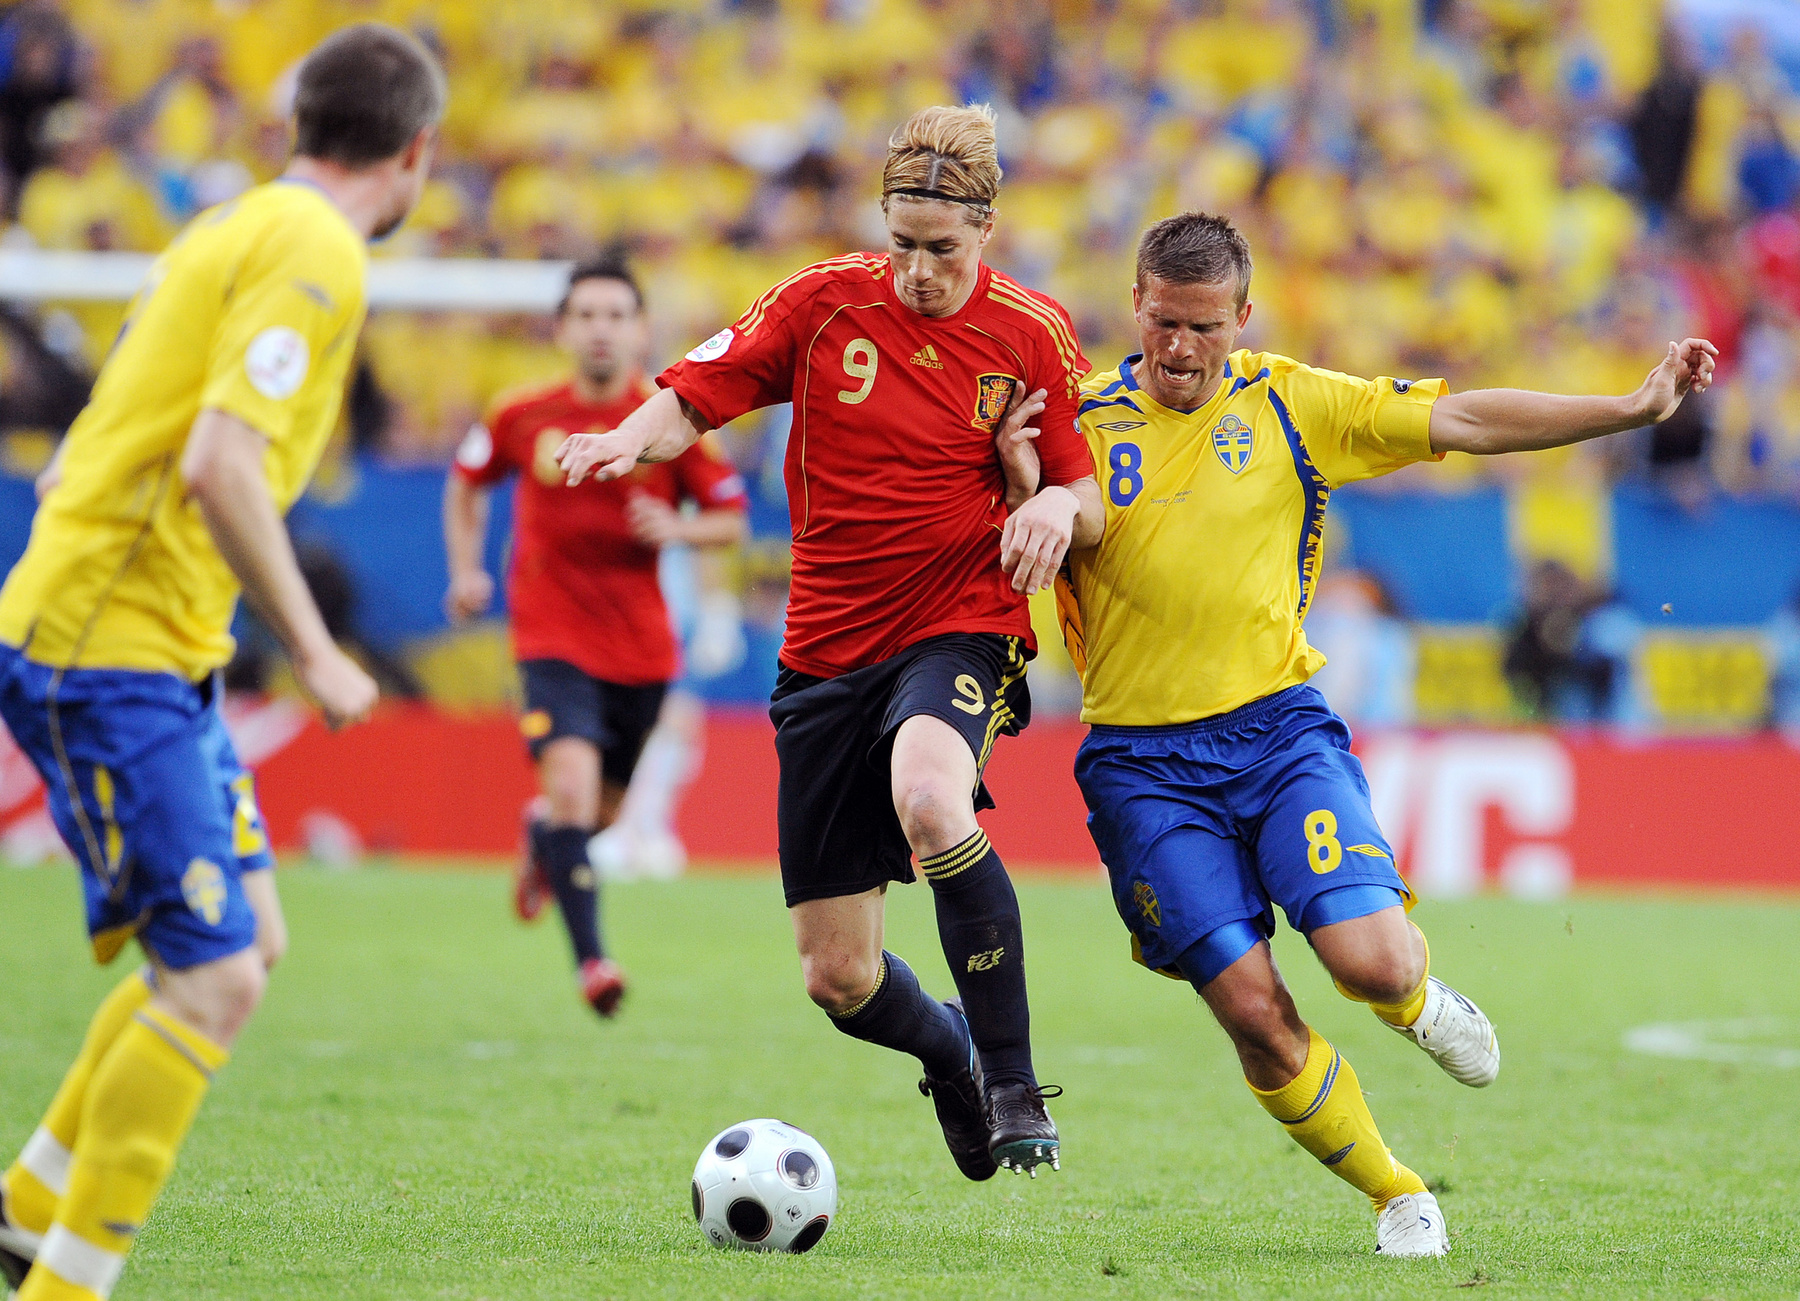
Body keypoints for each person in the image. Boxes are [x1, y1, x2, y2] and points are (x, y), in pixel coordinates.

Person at [1038, 211, 1714, 1256]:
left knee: (1373, 964)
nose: (1180, 346)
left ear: (1244, 317)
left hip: (1275, 734)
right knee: (1254, 1011)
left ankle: (1420, 998)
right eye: (1164, 321)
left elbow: (1465, 419)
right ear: (1135, 304)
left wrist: (1628, 407)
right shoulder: (1076, 424)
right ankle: (1398, 1190)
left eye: (1204, 326)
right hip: (1140, 765)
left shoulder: (1292, 402)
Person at [556, 104, 1104, 1179]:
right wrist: (623, 439)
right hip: (824, 651)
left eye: (941, 249)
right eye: (901, 244)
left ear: (985, 230)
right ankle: (950, 1050)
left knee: (932, 799)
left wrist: (1049, 503)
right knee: (839, 977)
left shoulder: (1032, 332)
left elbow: (1087, 495)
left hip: (958, 622)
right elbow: (692, 396)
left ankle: (1012, 1079)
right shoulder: (820, 303)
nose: (918, 271)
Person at [0, 25, 443, 1298]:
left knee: (250, 936)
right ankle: (67, 1283)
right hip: (113, 645)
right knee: (214, 981)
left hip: (156, 639)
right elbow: (219, 460)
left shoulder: (234, 224)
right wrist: (317, 648)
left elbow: (121, 417)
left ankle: (26, 1212)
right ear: (416, 152)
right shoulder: (316, 249)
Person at [443, 257, 748, 1017]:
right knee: (575, 791)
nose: (600, 330)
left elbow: (732, 520)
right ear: (561, 329)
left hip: (641, 649)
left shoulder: (670, 421)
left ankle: (543, 838)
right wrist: (466, 571)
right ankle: (594, 963)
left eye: (616, 315)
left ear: (641, 330)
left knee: (595, 816)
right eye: (585, 315)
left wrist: (676, 527)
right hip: (550, 635)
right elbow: (465, 483)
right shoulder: (521, 414)